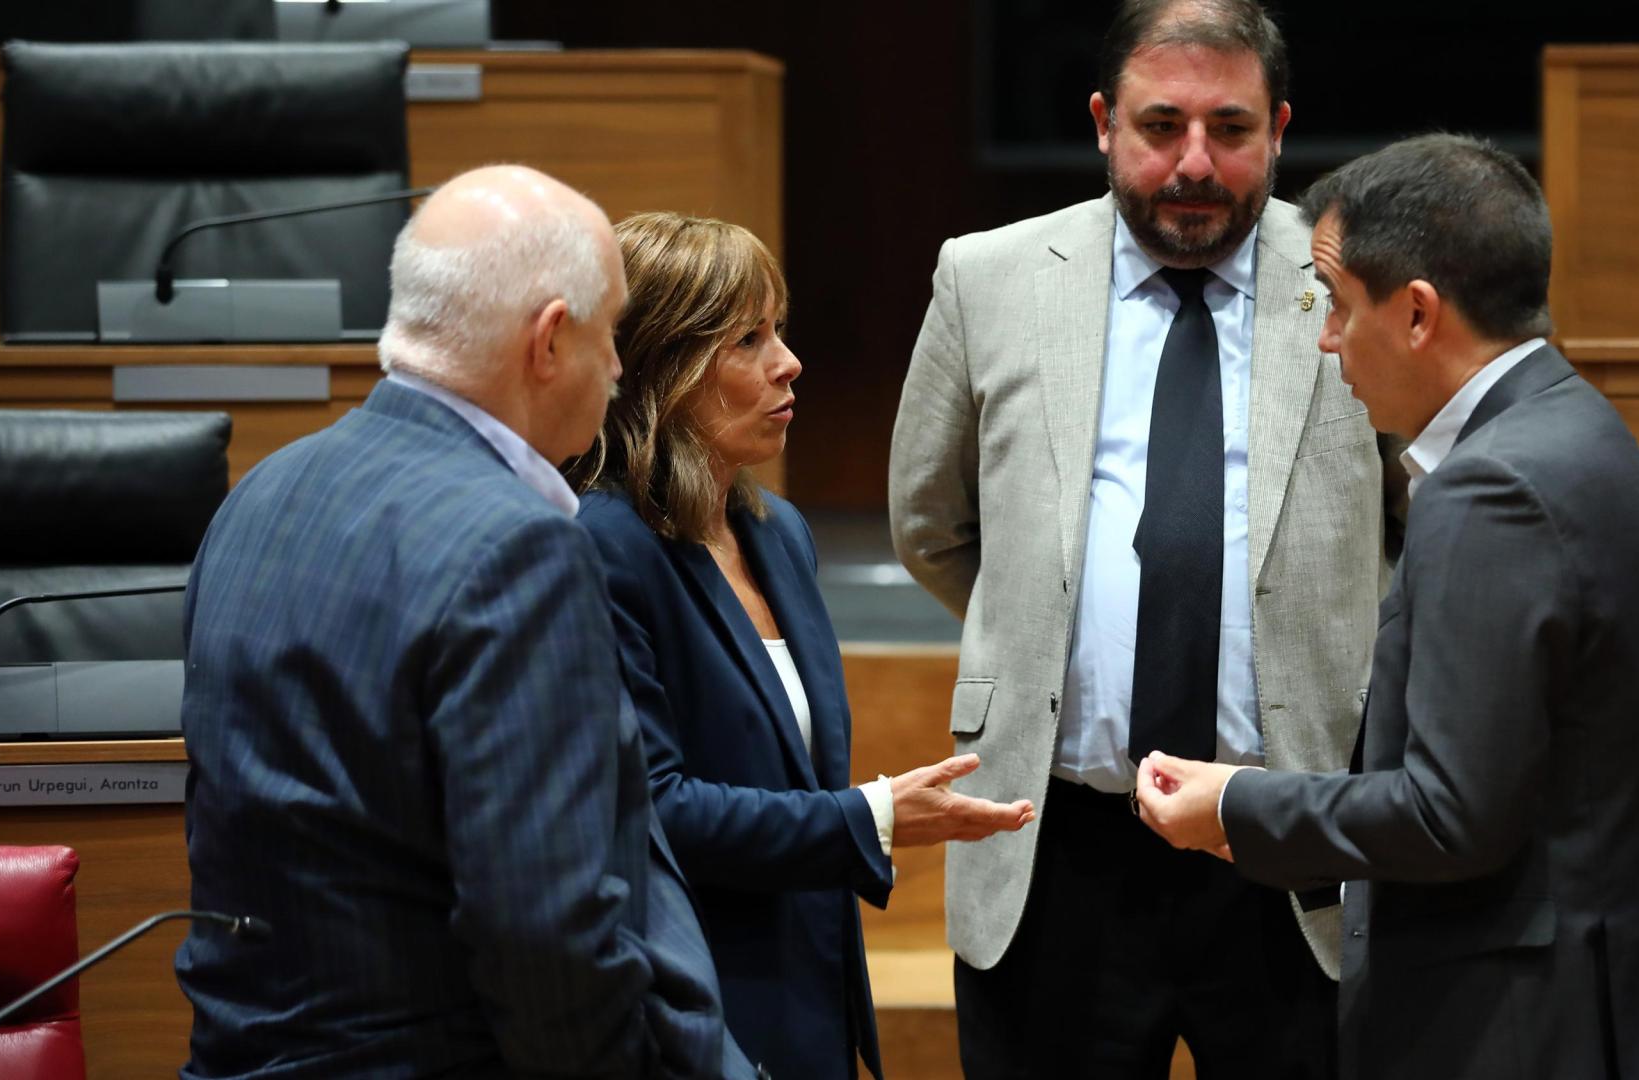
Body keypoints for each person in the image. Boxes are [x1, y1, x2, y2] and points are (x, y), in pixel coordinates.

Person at [889, 1, 1399, 1075]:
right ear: (1102, 124)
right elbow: (932, 524)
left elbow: (1419, 533)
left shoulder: (1363, 279)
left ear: (1280, 128)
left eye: (1231, 128)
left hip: (1291, 835)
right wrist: (1055, 631)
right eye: (1162, 126)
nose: (1195, 163)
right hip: (1056, 840)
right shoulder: (989, 276)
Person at [1135, 134, 1639, 1079]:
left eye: (1335, 304)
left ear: (1415, 313)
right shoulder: (1575, 426)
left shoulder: (1493, 488)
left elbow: (1451, 815)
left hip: (1520, 1028)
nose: (1326, 339)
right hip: (1598, 997)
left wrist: (1237, 804)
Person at [178, 167, 753, 1079]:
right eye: (610, 334)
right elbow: (544, 934)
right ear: (549, 340)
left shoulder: (261, 495)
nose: (617, 369)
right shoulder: (519, 549)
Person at [570, 212, 1035, 1080]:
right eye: (747, 340)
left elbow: (796, 779)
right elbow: (652, 812)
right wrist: (875, 816)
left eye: (777, 329)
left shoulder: (778, 533)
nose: (788, 362)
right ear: (666, 367)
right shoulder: (603, 546)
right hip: (688, 1005)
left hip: (809, 995)